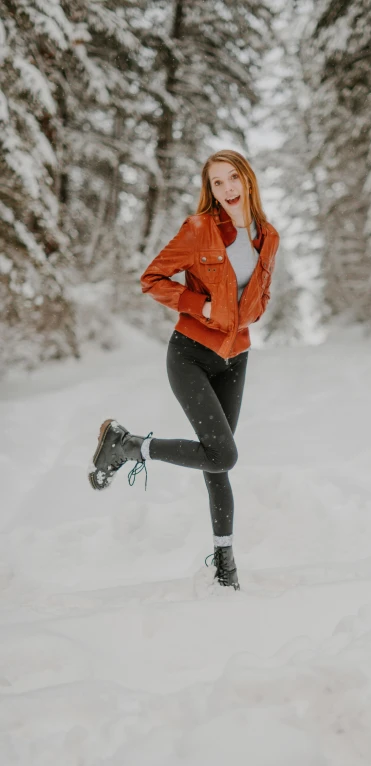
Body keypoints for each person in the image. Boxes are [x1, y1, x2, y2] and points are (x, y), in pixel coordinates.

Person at [88, 150, 280, 590]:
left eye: (234, 178)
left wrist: (253, 310)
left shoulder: (268, 236)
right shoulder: (199, 230)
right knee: (224, 454)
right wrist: (203, 304)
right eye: (217, 183)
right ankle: (128, 445)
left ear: (248, 180)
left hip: (236, 357)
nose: (228, 189)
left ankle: (225, 565)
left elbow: (262, 293)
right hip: (190, 354)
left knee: (218, 464)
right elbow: (152, 279)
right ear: (209, 190)